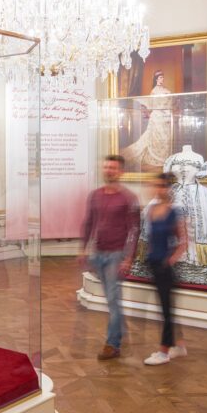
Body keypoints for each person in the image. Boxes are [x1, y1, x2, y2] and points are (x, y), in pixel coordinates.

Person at [79, 154, 140, 360]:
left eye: (113, 168)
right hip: (99, 253)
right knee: (110, 299)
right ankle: (120, 330)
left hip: (117, 254)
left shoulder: (129, 198)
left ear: (120, 172)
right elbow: (89, 222)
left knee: (113, 299)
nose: (109, 171)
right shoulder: (95, 195)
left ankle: (112, 344)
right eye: (106, 167)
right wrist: (83, 248)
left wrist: (128, 258)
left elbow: (134, 230)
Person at [142, 172, 190, 366]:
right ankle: (179, 345)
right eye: (156, 185)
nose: (159, 189)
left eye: (163, 185)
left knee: (166, 310)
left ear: (169, 188)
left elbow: (183, 241)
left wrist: (170, 261)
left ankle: (164, 351)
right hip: (153, 264)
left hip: (164, 267)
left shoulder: (174, 212)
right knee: (166, 308)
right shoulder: (152, 209)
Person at [121, 70, 173, 172]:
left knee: (166, 138)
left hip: (166, 117)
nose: (162, 79)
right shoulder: (154, 91)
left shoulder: (166, 90)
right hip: (157, 117)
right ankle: (158, 159)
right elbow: (152, 105)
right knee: (157, 138)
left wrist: (167, 112)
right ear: (157, 79)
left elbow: (170, 103)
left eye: (163, 77)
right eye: (160, 77)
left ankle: (165, 158)